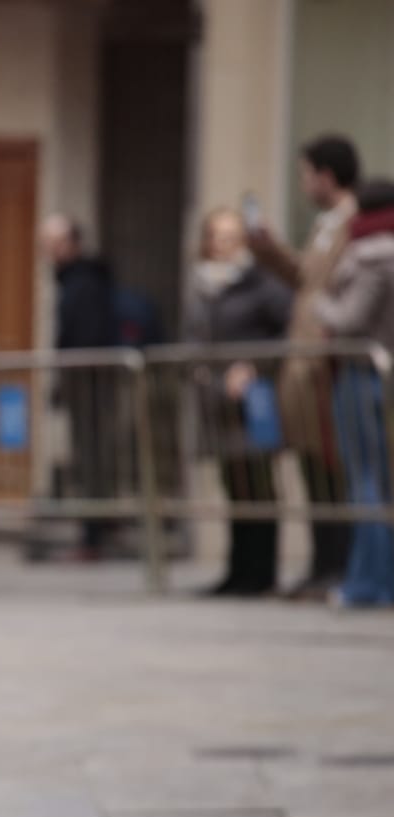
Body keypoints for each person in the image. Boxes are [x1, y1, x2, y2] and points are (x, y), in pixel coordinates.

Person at [249, 135, 360, 599]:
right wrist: (268, 249)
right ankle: (321, 566)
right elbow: (304, 280)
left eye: (306, 173)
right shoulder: (325, 226)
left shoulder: (356, 223)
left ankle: (339, 566)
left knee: (335, 472)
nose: (304, 183)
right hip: (304, 361)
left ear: (326, 176)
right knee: (313, 470)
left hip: (328, 363)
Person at [185, 208, 293, 596]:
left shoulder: (262, 284)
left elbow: (288, 332)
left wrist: (253, 367)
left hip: (255, 404)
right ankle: (237, 572)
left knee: (259, 488)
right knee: (234, 486)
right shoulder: (203, 286)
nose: (225, 244)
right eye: (218, 236)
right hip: (217, 404)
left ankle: (261, 573)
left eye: (233, 236)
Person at [318, 179, 394, 607]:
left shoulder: (369, 255)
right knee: (382, 484)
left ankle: (369, 583)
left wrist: (318, 305)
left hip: (362, 374)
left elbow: (349, 318)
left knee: (364, 482)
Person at [41, 215, 122, 560]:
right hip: (81, 380)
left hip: (90, 381)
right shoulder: (72, 280)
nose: (50, 251)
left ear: (73, 243)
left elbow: (85, 335)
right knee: (86, 456)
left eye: (56, 243)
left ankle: (96, 533)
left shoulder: (85, 282)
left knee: (91, 456)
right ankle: (95, 528)